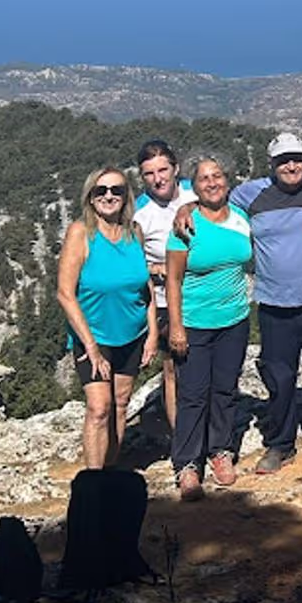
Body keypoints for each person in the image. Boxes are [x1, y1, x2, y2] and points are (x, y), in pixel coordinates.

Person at [178, 132, 302, 479]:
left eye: (297, 158)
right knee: (280, 379)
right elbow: (211, 196)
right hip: (274, 306)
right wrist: (185, 207)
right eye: (283, 160)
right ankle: (281, 444)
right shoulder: (250, 194)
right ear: (271, 164)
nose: (292, 166)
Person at [165, 154, 254, 501]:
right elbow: (173, 280)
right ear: (194, 186)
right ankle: (187, 464)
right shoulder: (185, 226)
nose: (212, 182)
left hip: (234, 320)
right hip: (195, 323)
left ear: (227, 181)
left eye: (217, 176)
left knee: (225, 390)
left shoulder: (241, 219)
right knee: (192, 395)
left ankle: (220, 451)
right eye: (203, 178)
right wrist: (176, 327)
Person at [55, 166, 155, 469]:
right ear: (91, 197)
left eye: (117, 190)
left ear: (126, 197)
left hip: (133, 334)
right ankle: (93, 482)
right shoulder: (80, 233)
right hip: (94, 337)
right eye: (101, 191)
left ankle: (110, 475)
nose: (109, 196)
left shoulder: (133, 232)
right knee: (99, 409)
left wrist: (151, 334)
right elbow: (65, 293)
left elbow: (145, 286)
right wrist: (91, 347)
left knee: (121, 405)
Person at [132, 139, 195, 432]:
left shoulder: (195, 194)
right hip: (163, 302)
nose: (158, 179)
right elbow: (132, 266)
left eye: (163, 170)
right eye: (149, 174)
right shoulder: (139, 215)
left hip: (201, 295)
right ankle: (181, 439)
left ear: (176, 169)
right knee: (173, 370)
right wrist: (157, 269)